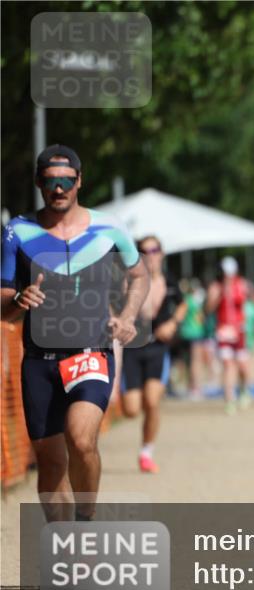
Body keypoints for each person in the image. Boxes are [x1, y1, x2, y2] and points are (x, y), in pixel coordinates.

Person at [0, 144, 149, 521]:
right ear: (39, 184)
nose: (60, 188)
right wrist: (18, 299)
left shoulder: (109, 228)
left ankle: (85, 521)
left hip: (90, 352)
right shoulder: (16, 233)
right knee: (50, 465)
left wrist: (129, 316)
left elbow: (139, 274)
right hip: (38, 362)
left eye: (67, 180)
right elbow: (2, 301)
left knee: (82, 439)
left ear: (80, 181)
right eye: (51, 181)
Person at [119, 235, 186, 474]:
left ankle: (146, 452)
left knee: (153, 401)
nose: (151, 255)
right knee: (131, 410)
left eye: (155, 250)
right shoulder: (131, 281)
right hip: (133, 349)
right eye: (144, 251)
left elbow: (183, 304)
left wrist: (173, 324)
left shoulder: (169, 281)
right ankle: (143, 420)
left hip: (158, 347)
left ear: (162, 253)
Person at [205, 256, 249, 415]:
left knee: (243, 366)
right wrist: (220, 294)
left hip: (239, 330)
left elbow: (245, 302)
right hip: (223, 331)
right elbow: (208, 309)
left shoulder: (241, 284)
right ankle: (230, 399)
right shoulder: (216, 287)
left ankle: (244, 390)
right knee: (228, 365)